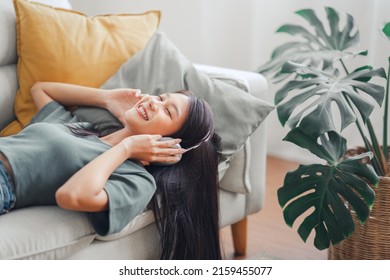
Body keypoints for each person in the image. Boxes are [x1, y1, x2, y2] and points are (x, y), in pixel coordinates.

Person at [0, 82, 222, 260]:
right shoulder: (82, 129)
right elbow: (41, 89)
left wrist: (127, 148)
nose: (154, 103)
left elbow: (72, 195)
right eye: (161, 98)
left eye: (168, 111)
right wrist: (107, 98)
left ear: (170, 143)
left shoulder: (136, 179)